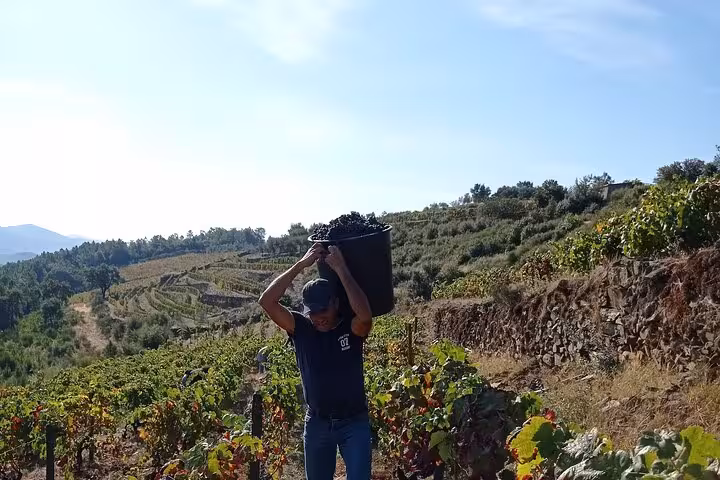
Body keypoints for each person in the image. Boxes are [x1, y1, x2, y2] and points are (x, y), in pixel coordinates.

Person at [258, 243, 373, 480]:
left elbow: (365, 316)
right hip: (318, 424)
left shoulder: (351, 328)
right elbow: (266, 301)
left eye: (323, 310)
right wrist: (301, 264)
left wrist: (341, 269)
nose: (318, 318)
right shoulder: (300, 327)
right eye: (312, 312)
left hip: (354, 422)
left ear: (335, 304)